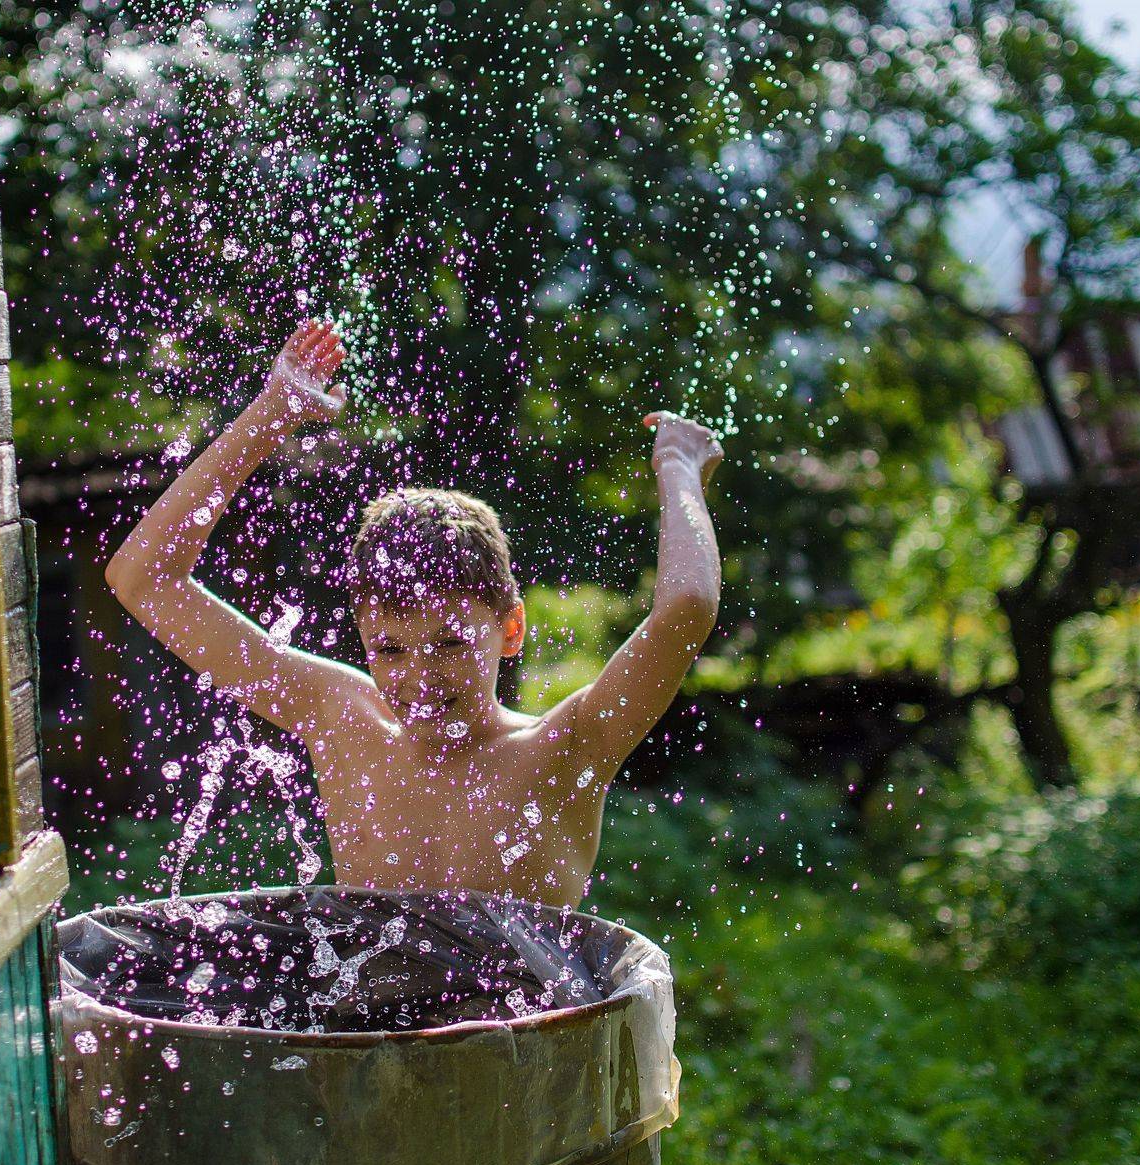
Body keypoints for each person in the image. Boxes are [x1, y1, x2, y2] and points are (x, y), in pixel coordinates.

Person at [106, 319, 723, 908]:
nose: (421, 677)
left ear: (510, 629)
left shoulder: (566, 748)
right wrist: (272, 414)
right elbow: (142, 579)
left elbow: (687, 607)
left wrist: (677, 464)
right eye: (390, 649)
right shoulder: (342, 720)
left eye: (450, 644)